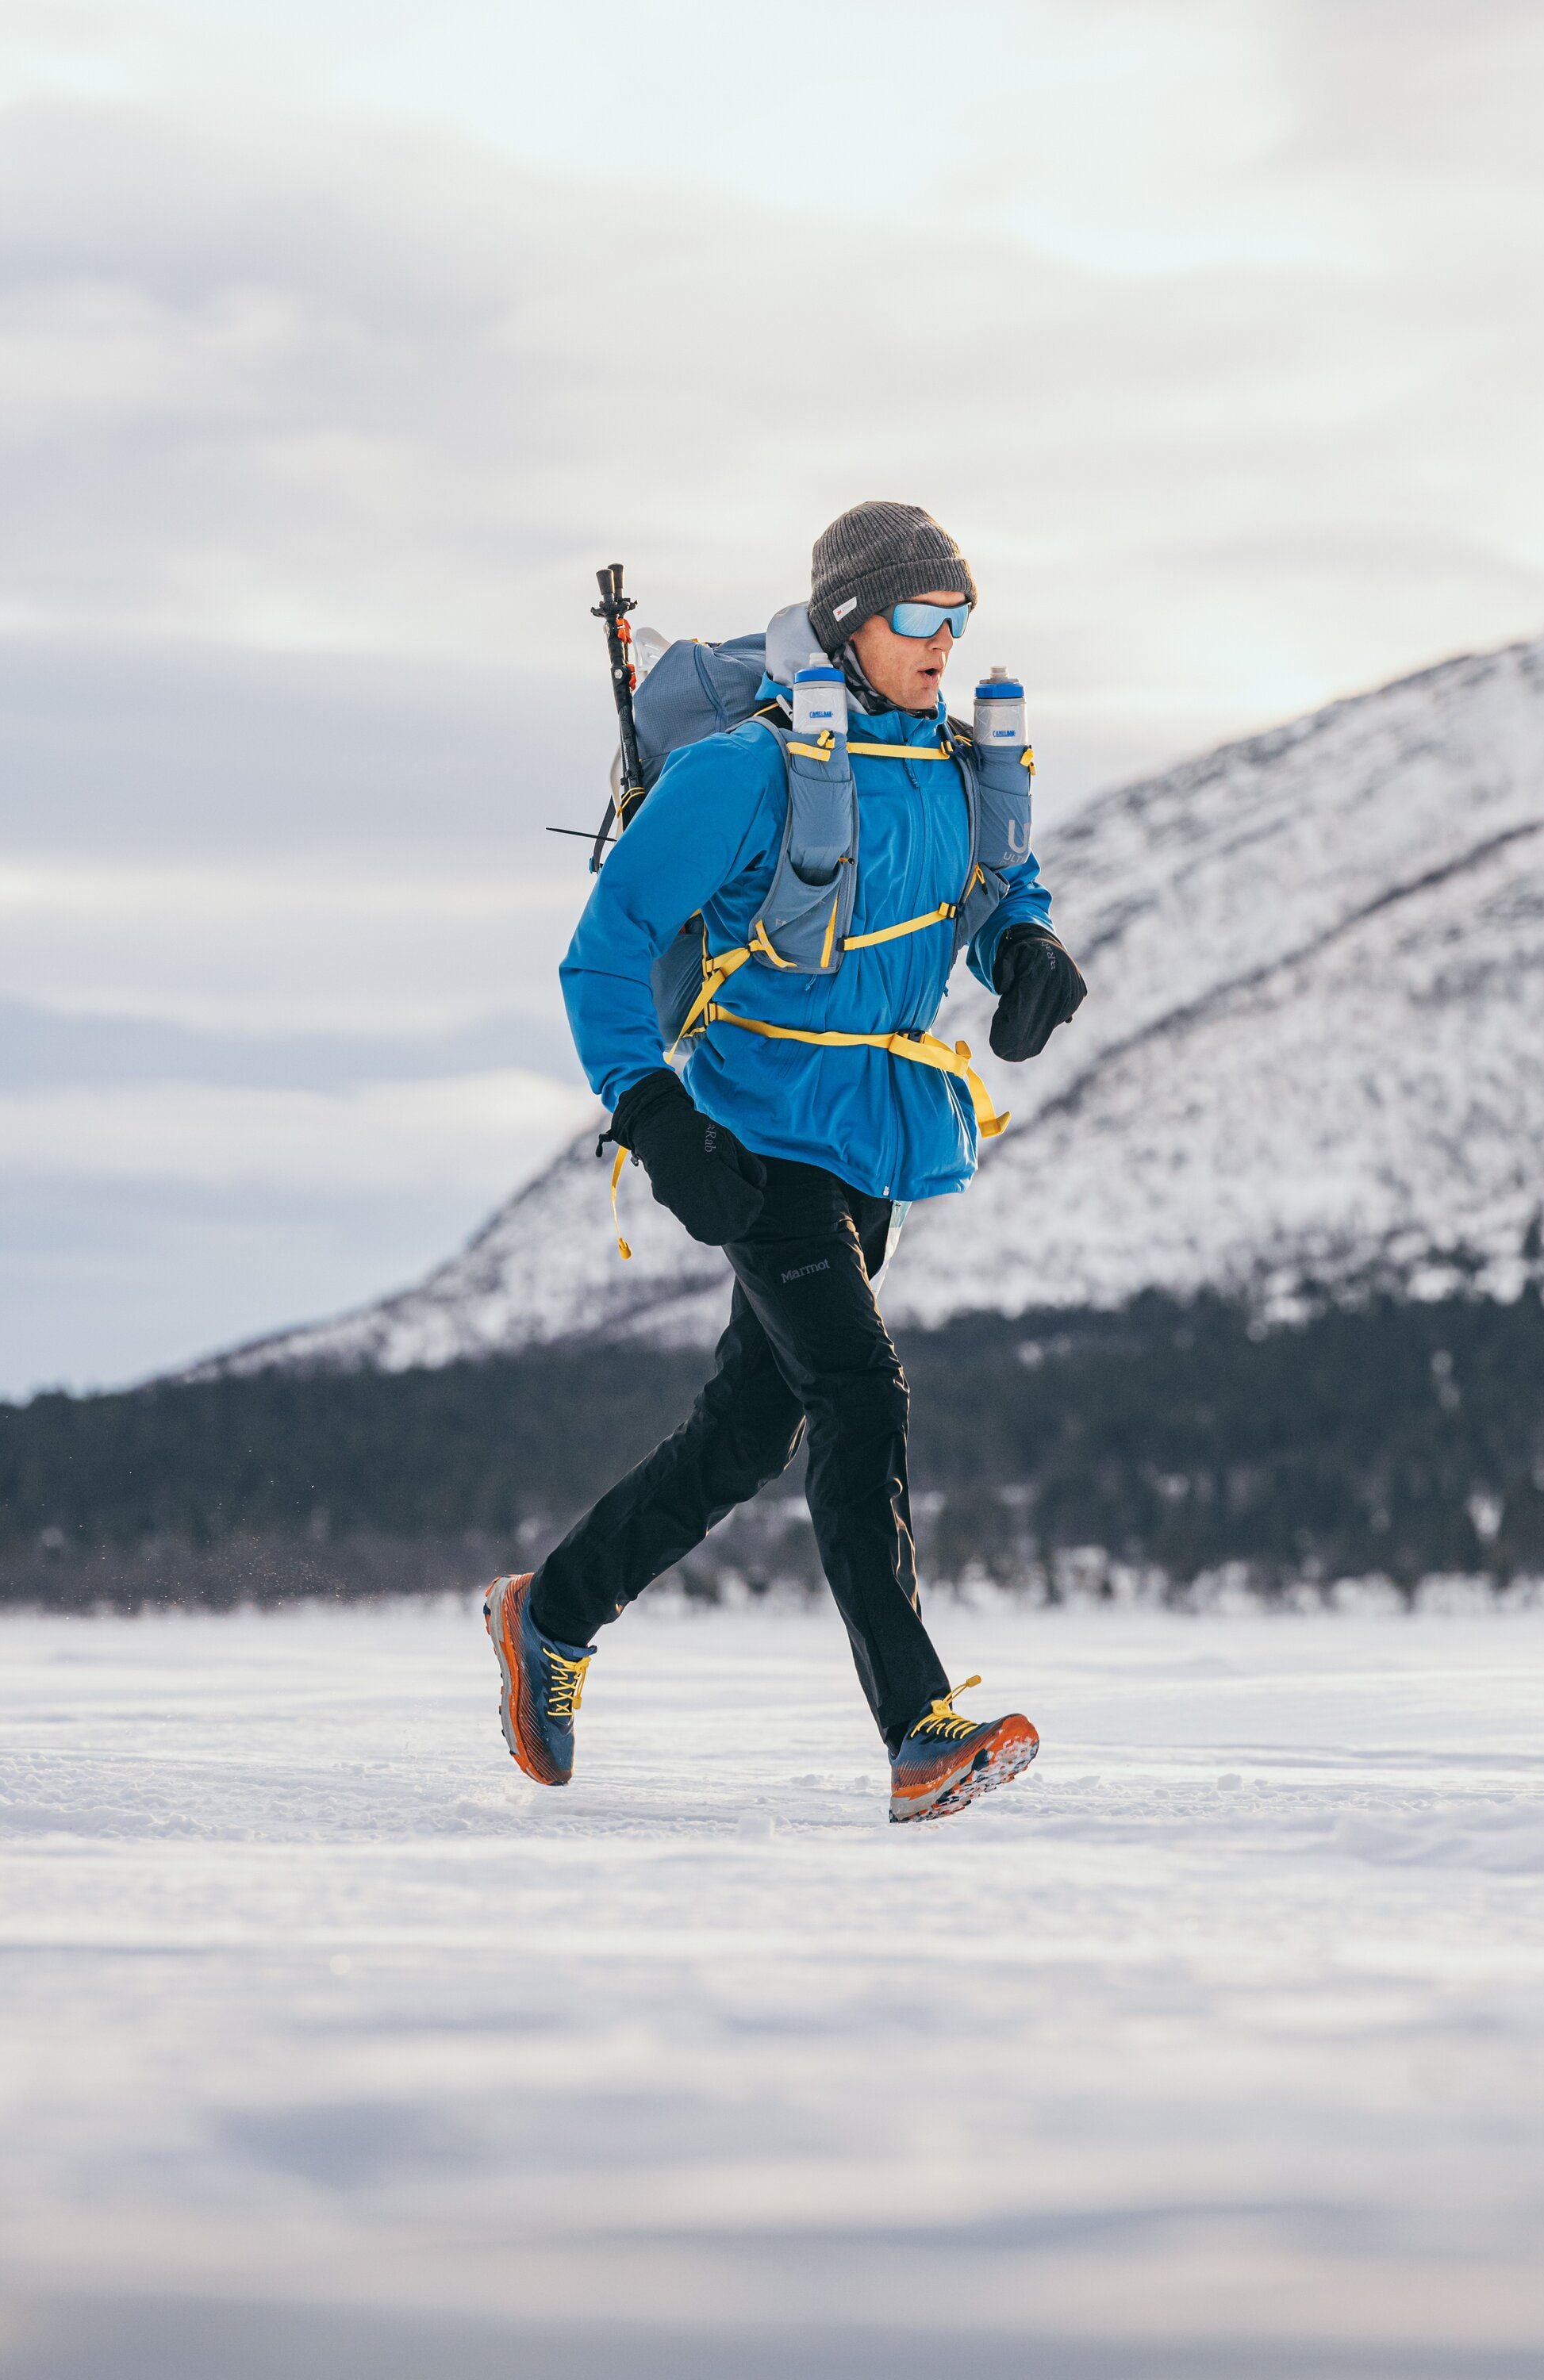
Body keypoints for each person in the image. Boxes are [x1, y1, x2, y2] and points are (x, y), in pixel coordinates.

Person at [485, 501, 1086, 1822]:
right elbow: (606, 944)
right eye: (919, 619)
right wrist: (654, 1116)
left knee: (748, 1432)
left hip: (871, 1133)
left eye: (958, 620)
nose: (945, 644)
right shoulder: (746, 774)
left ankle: (553, 1611)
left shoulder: (946, 767)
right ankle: (921, 1733)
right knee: (862, 1399)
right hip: (754, 1137)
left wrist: (1025, 953)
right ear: (847, 625)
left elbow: (992, 892)